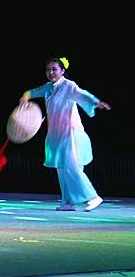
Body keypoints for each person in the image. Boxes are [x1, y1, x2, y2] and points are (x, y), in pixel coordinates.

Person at [20, 56, 111, 211]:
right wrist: (25, 97)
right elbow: (31, 92)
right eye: (48, 70)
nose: (51, 72)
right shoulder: (48, 87)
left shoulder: (69, 86)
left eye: (54, 69)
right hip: (56, 134)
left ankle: (93, 197)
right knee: (61, 168)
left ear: (62, 71)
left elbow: (82, 94)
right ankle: (68, 202)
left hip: (70, 132)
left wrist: (95, 102)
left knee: (71, 166)